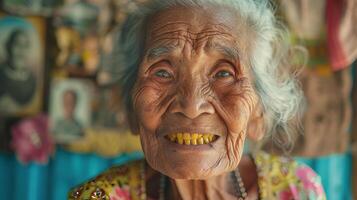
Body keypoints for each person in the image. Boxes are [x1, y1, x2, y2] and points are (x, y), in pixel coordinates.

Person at [68, 0, 326, 199]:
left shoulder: (297, 190)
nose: (191, 106)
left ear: (258, 113)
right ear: (132, 109)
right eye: (162, 72)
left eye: (224, 73)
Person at [0, 28, 36, 112]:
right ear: (8, 47)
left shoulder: (32, 80)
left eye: (25, 46)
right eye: (17, 44)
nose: (21, 51)